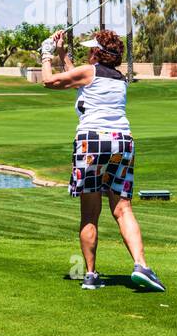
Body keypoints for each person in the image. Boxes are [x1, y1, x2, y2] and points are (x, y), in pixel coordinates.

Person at [40, 28, 165, 292]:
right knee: (122, 209)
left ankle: (91, 274)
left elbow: (49, 82)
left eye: (91, 48)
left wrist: (46, 54)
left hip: (91, 141)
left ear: (97, 52)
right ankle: (141, 265)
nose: (88, 51)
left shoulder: (89, 72)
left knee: (90, 212)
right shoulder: (120, 78)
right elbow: (78, 77)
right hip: (122, 141)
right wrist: (63, 51)